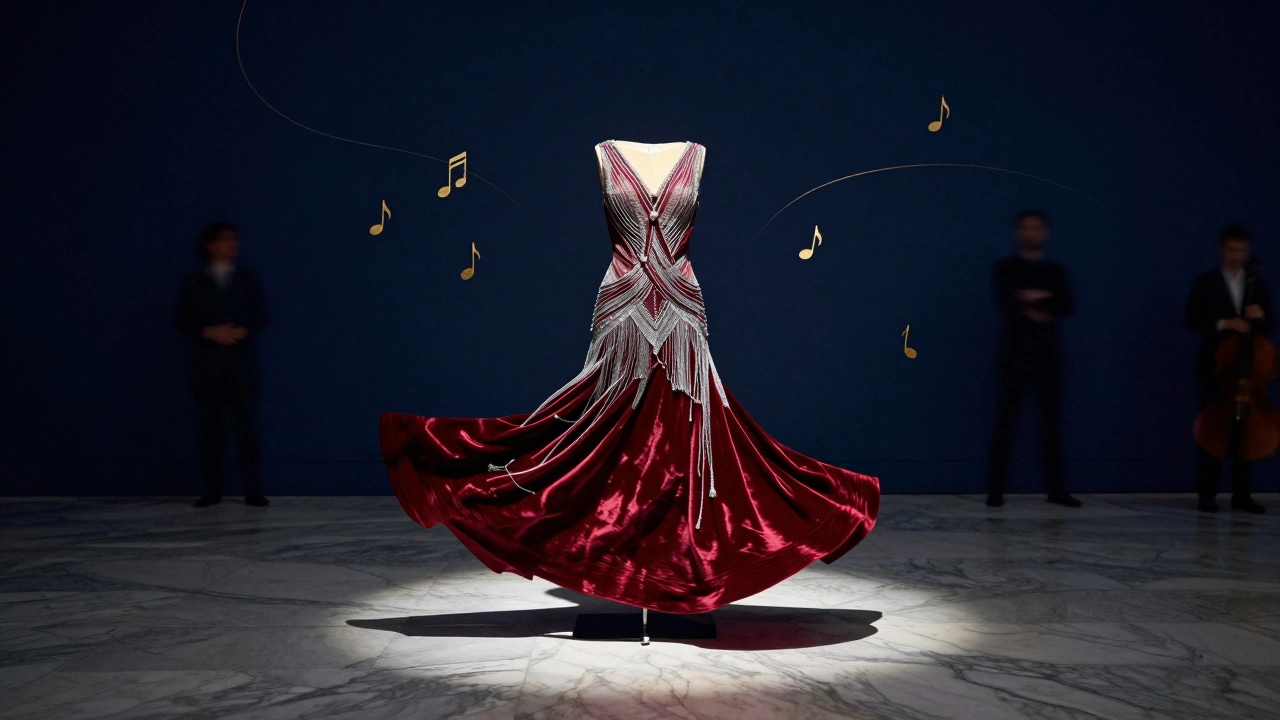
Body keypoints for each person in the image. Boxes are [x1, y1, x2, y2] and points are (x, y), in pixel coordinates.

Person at [379, 141, 880, 615]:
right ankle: (473, 484)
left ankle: (683, 569)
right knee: (592, 439)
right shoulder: (604, 154)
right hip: (621, 309)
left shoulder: (697, 155)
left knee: (693, 445)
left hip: (682, 311)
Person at [986, 209, 1081, 508]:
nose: (1031, 233)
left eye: (1037, 228)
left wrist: (1031, 298)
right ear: (1018, 232)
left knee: (1051, 426)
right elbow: (1007, 301)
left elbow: (1067, 303)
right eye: (1026, 228)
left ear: (1045, 233)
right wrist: (1039, 300)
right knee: (1006, 424)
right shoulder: (1005, 268)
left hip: (1048, 356)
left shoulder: (1056, 271)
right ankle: (996, 491)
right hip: (1015, 355)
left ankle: (1056, 490)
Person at [175, 221, 269, 507]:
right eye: (225, 239)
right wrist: (209, 332)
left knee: (246, 430)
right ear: (210, 245)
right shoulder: (194, 282)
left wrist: (242, 331)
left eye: (234, 239)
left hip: (241, 365)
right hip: (207, 366)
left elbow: (260, 316)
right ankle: (212, 491)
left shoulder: (247, 280)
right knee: (210, 429)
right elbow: (182, 321)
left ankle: (252, 490)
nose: (233, 244)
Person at [1183, 224, 1270, 514]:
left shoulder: (1256, 284)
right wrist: (1224, 323)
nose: (1237, 256)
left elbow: (1270, 325)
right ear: (1222, 249)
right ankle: (1207, 495)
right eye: (1232, 249)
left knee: (1245, 432)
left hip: (1248, 370)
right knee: (1213, 430)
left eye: (1242, 250)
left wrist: (1261, 316)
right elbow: (1192, 320)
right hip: (1216, 368)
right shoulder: (1205, 282)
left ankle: (1241, 494)